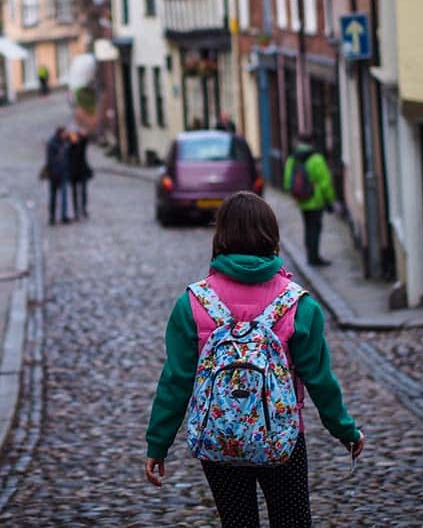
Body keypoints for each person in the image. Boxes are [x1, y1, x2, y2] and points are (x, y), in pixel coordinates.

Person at [144, 192, 364, 527]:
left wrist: (158, 443)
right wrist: (345, 430)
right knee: (292, 521)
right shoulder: (298, 305)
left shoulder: (192, 303)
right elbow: (320, 380)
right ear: (272, 237)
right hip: (283, 440)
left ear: (221, 237)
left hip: (219, 440)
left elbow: (176, 380)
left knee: (237, 523)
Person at [283, 131, 336, 267]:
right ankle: (314, 257)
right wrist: (329, 200)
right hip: (316, 200)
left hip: (301, 200)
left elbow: (288, 181)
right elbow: (325, 182)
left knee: (307, 227)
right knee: (315, 228)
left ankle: (310, 255)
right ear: (311, 143)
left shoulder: (292, 158)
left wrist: (295, 193)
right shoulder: (316, 159)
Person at [45, 126, 70, 225]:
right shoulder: (52, 143)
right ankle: (52, 217)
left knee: (64, 196)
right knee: (53, 197)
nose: (66, 135)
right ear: (60, 133)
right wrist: (54, 171)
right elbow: (49, 160)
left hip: (64, 173)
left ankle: (64, 216)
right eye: (64, 133)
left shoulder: (66, 142)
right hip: (54, 175)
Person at [67, 129, 92, 220]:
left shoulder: (81, 145)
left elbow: (85, 140)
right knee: (74, 194)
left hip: (82, 172)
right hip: (73, 173)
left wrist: (83, 134)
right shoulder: (68, 147)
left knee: (83, 192)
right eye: (72, 137)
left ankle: (83, 209)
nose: (74, 138)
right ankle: (76, 212)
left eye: (75, 137)